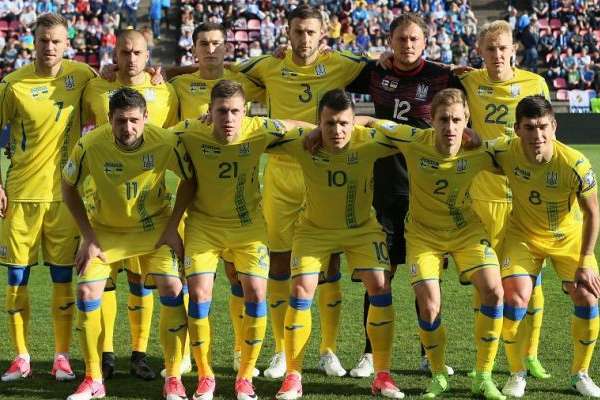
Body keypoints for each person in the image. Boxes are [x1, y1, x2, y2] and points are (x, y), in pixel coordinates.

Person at [233, 5, 367, 378]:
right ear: (287, 32)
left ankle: (327, 349)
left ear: (323, 34)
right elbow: (219, 72)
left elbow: (386, 66)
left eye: (311, 32)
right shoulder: (268, 66)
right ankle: (281, 351)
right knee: (278, 262)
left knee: (330, 263)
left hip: (324, 174)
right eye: (298, 32)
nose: (304, 39)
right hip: (281, 173)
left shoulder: (341, 63)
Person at [271, 88, 422, 400]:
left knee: (380, 286)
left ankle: (382, 375)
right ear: (319, 123)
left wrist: (367, 121)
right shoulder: (304, 142)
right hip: (314, 230)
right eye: (329, 124)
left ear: (354, 123)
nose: (337, 131)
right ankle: (293, 376)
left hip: (361, 229)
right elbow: (279, 125)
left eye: (343, 123)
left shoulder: (369, 141)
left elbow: (406, 133)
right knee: (301, 290)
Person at [163, 80, 307, 400]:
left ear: (246, 112)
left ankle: (244, 377)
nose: (228, 118)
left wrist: (334, 128)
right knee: (198, 296)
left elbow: (297, 126)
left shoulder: (259, 129)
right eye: (221, 111)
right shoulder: (190, 131)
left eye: (234, 111)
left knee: (256, 293)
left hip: (247, 228)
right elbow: (155, 139)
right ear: (210, 111)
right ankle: (205, 375)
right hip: (204, 226)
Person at [357, 89, 505, 400]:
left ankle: (484, 375)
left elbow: (518, 158)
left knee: (494, 290)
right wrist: (324, 130)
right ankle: (438, 375)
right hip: (423, 235)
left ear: (467, 121)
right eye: (443, 120)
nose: (450, 127)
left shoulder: (479, 149)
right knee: (429, 305)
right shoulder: (412, 138)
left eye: (457, 120)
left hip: (466, 232)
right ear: (431, 121)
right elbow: (368, 121)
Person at [346, 12, 461, 377]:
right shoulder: (373, 72)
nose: (407, 45)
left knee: (426, 278)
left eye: (414, 39)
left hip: (426, 192)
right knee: (380, 276)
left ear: (425, 42)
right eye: (401, 39)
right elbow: (330, 72)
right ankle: (369, 354)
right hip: (383, 187)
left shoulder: (443, 75)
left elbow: (478, 88)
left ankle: (429, 355)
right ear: (390, 42)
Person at [62, 87, 192, 400]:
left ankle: (173, 378)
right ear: (109, 119)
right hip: (105, 231)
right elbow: (67, 187)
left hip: (154, 228)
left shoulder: (166, 141)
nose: (128, 127)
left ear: (146, 117)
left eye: (134, 120)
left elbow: (191, 180)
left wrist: (173, 227)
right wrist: (88, 236)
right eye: (120, 121)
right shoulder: (90, 144)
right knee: (86, 291)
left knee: (172, 288)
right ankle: (93, 378)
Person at [0, 13, 96, 383]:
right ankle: (21, 357)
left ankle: (61, 357)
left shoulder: (82, 75)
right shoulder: (13, 84)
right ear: (33, 42)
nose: (49, 47)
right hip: (20, 197)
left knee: (61, 278)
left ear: (67, 43)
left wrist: (154, 74)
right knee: (16, 279)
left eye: (56, 41)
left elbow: (114, 86)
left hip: (64, 199)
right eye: (43, 40)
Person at [81, 29, 181, 381]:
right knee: (104, 283)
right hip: (104, 206)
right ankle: (106, 355)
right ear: (115, 54)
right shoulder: (95, 88)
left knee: (141, 281)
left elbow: (174, 138)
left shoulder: (165, 92)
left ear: (148, 55)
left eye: (138, 52)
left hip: (148, 208)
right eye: (125, 52)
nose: (131, 59)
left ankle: (139, 355)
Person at [459, 19, 551, 379]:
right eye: (490, 49)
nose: (497, 55)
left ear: (514, 49)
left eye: (503, 48)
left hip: (525, 199)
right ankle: (485, 358)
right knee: (485, 282)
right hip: (484, 197)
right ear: (479, 52)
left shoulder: (535, 83)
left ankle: (531, 354)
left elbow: (546, 137)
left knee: (532, 279)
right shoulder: (469, 81)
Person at [493, 96, 600, 398]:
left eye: (543, 126)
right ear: (517, 129)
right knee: (514, 299)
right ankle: (517, 373)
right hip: (523, 236)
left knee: (588, 297)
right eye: (529, 127)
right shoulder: (505, 151)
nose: (537, 135)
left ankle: (581, 374)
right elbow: (475, 147)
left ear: (554, 126)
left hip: (568, 238)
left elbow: (593, 212)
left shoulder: (575, 163)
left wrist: (586, 258)